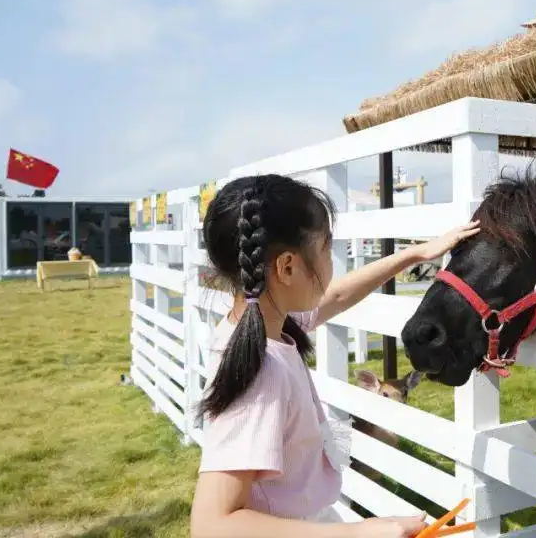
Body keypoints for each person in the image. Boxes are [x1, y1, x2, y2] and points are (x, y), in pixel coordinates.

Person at [190, 174, 479, 538]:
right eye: (326, 248)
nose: (331, 263)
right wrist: (362, 533)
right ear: (287, 267)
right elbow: (213, 525)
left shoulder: (264, 325)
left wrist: (417, 253)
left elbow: (339, 296)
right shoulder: (260, 370)